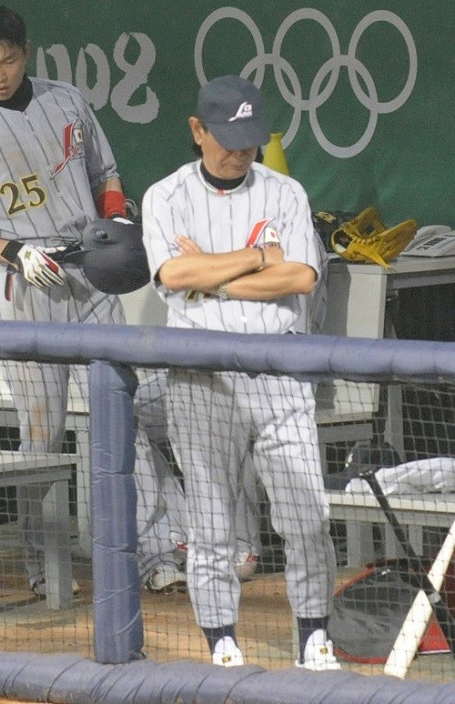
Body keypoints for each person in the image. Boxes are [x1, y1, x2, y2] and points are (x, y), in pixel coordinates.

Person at [0, 5, 181, 596]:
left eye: (8, 59)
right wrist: (10, 251)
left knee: (123, 413)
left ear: (26, 50)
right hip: (23, 289)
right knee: (41, 436)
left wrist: (114, 223)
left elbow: (106, 173)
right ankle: (45, 569)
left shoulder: (67, 101)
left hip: (89, 274)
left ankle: (157, 554)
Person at [141, 74, 340, 670]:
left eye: (250, 140)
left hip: (279, 371)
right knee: (210, 522)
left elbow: (300, 276)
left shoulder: (285, 192)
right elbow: (173, 278)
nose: (239, 152)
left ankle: (313, 634)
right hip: (202, 379)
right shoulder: (165, 196)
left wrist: (210, 270)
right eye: (227, 138)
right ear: (197, 130)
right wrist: (257, 259)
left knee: (308, 516)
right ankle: (221, 638)